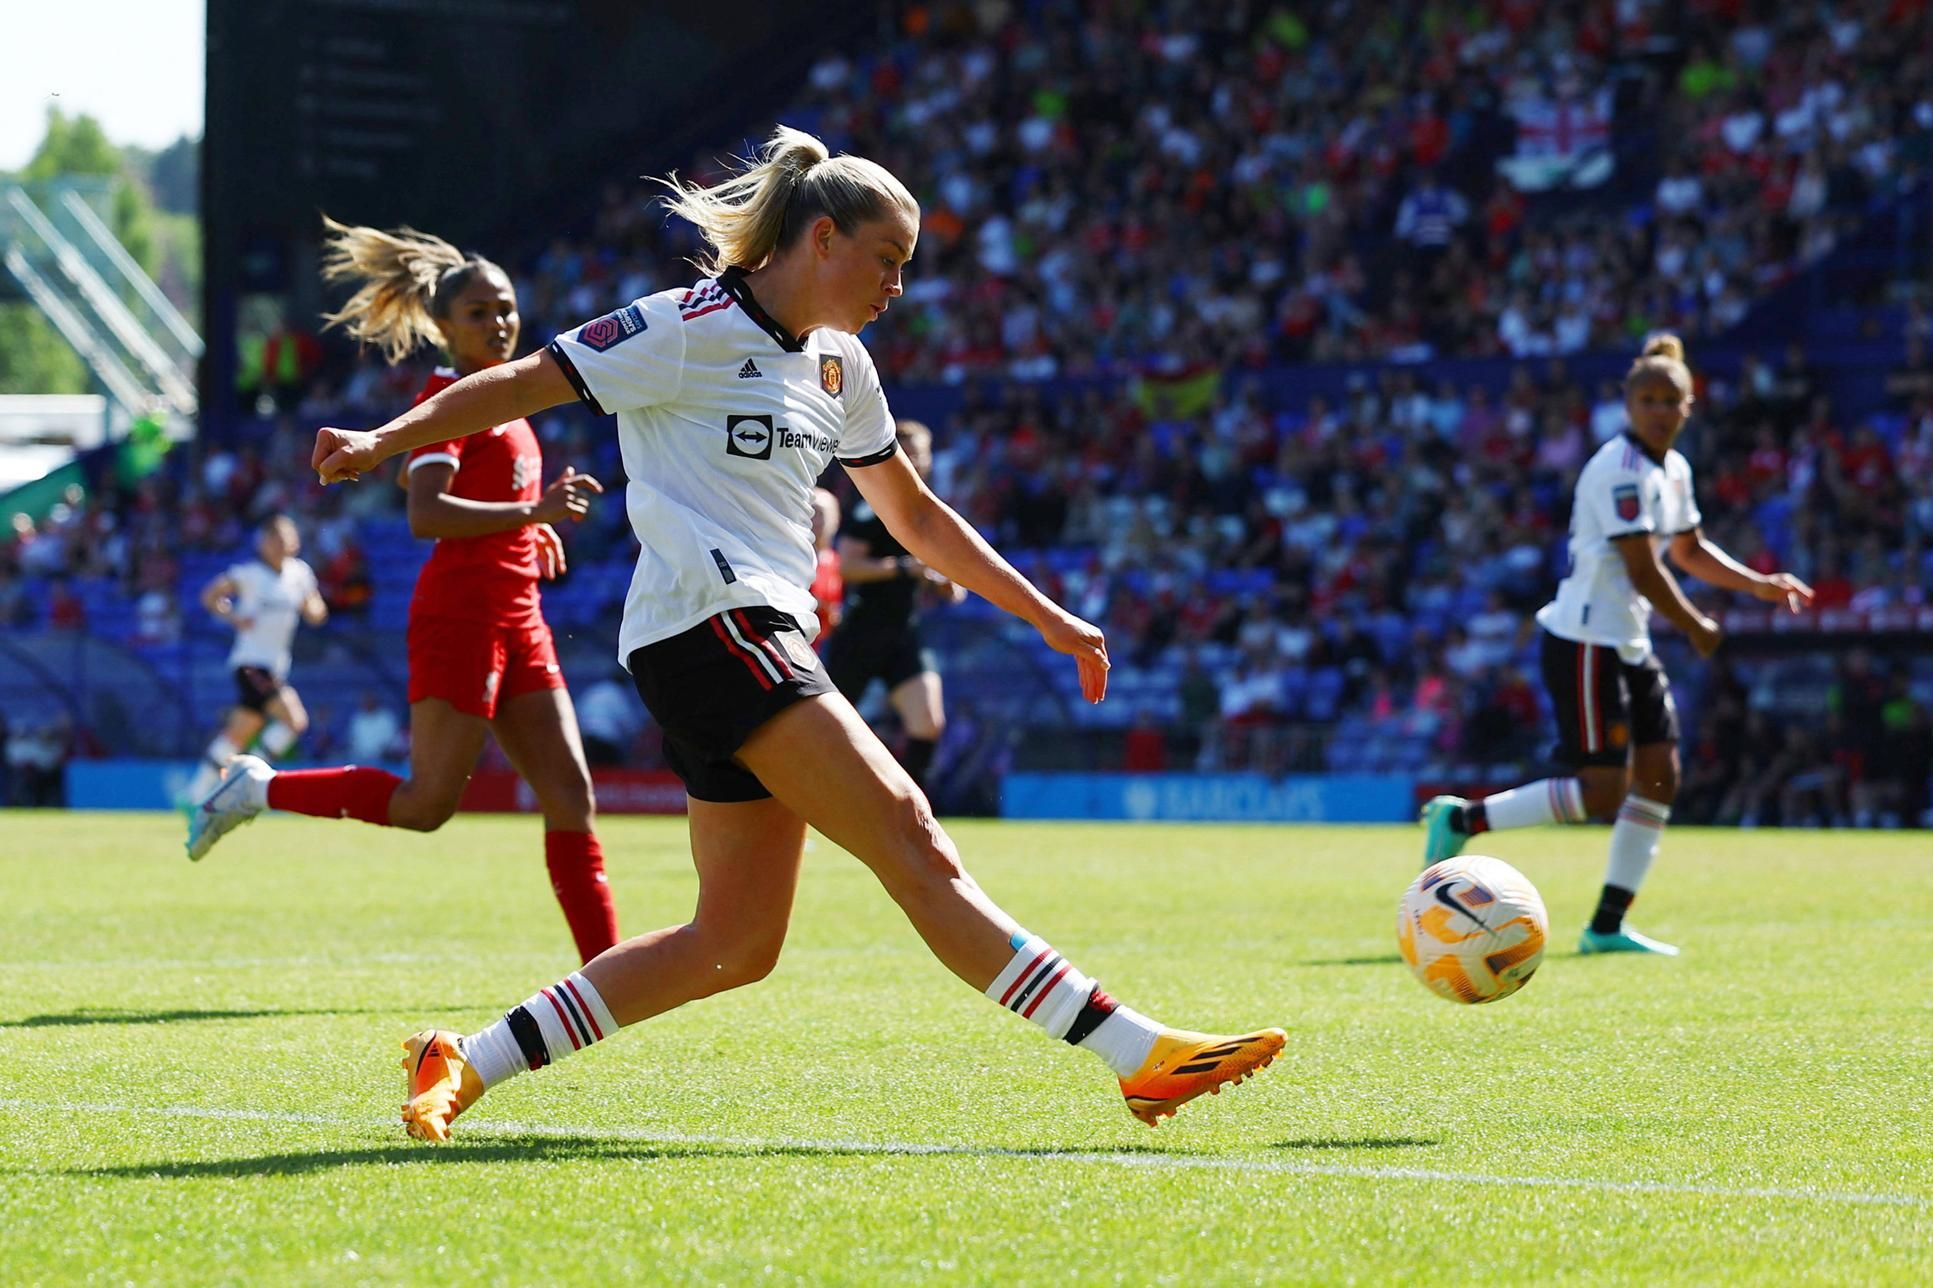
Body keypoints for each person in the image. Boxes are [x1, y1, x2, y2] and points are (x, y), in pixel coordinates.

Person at [301, 125, 1283, 1141]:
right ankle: (1139, 1054)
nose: (896, 286)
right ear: (821, 238)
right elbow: (521, 382)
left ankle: (466, 1057)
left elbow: (916, 518)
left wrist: (1047, 615)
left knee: (733, 942)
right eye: (887, 260)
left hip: (751, 636)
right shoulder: (679, 326)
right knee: (908, 832)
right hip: (710, 622)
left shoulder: (841, 368)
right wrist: (383, 440)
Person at [187, 217, 619, 966]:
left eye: (506, 306)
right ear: (444, 325)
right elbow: (424, 515)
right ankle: (257, 788)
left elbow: (487, 509)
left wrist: (526, 531)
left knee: (572, 797)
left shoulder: (509, 399)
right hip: (460, 616)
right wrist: (534, 512)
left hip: (519, 614)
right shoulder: (446, 397)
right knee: (426, 807)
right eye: (478, 312)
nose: (499, 321)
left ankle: (607, 982)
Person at [1420, 335, 1814, 954]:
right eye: (1648, 399)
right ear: (1629, 405)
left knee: (1660, 777)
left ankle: (1607, 924)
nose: (1659, 410)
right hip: (1584, 641)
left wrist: (1759, 585)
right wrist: (1692, 624)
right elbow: (1643, 568)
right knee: (1603, 789)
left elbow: (1687, 550)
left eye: (1671, 400)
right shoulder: (1617, 470)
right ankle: (1463, 819)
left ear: (1689, 407)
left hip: (1625, 640)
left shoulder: (1674, 470)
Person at [822, 420, 963, 792]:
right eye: (910, 453)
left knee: (928, 722)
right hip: (862, 631)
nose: (917, 460)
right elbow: (847, 566)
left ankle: (912, 815)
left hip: (905, 632)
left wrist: (945, 583)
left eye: (922, 453)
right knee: (826, 730)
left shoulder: (928, 511)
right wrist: (904, 568)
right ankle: (802, 805)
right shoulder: (872, 507)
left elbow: (952, 579)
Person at [179, 514, 328, 806]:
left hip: (275, 666)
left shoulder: (299, 574)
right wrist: (232, 617)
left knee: (239, 734)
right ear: (263, 543)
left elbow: (317, 611)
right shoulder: (249, 574)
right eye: (273, 539)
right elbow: (211, 595)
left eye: (284, 539)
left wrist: (312, 608)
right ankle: (244, 783)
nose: (279, 545)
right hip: (251, 663)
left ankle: (195, 794)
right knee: (294, 720)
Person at [807, 486, 844, 641]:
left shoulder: (835, 561)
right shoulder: (794, 556)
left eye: (820, 514)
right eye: (811, 513)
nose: (815, 521)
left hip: (824, 641)